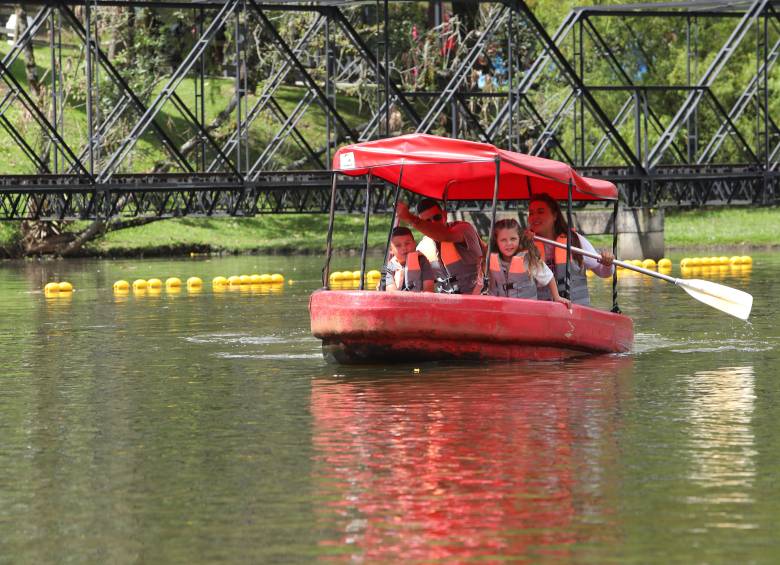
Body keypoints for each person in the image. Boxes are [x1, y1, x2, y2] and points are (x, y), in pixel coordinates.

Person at [525, 193, 614, 306]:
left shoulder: (575, 241)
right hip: (540, 313)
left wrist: (607, 264)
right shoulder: (523, 245)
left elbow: (603, 273)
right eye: (531, 213)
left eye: (541, 212)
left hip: (575, 311)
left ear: (555, 215)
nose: (534, 217)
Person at [396, 199, 485, 294]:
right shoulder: (422, 247)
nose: (433, 223)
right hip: (447, 304)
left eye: (437, 217)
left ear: (445, 215)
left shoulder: (464, 229)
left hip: (478, 297)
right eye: (428, 221)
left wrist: (409, 218)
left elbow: (444, 236)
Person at [488, 219, 570, 306]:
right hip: (502, 310)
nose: (509, 243)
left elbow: (549, 277)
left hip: (526, 311)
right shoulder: (489, 260)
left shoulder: (528, 259)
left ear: (519, 238)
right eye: (503, 240)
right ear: (496, 241)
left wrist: (557, 297)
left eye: (513, 239)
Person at [383, 227, 435, 292]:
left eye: (407, 243)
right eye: (398, 245)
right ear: (391, 250)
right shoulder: (389, 266)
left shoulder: (422, 261)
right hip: (398, 299)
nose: (404, 248)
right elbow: (391, 290)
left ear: (414, 244)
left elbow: (428, 289)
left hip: (419, 300)